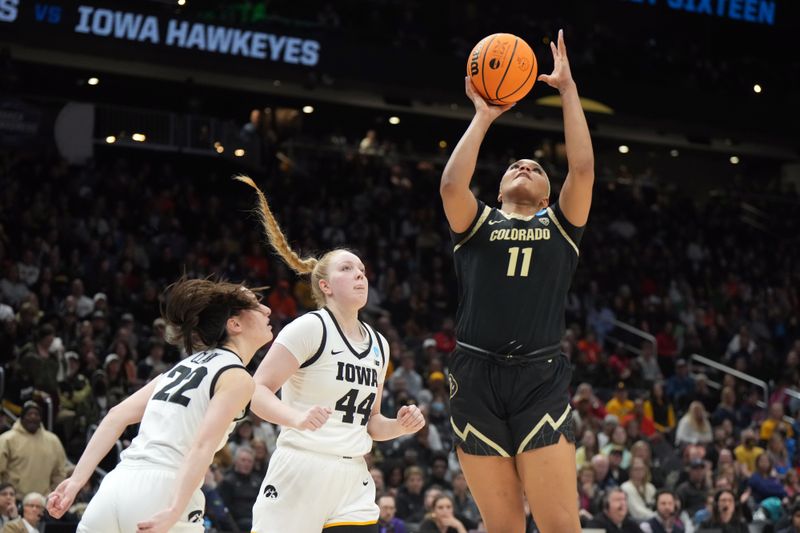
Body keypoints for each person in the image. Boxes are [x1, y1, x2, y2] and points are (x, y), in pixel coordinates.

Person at [439, 30, 593, 532]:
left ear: (548, 197)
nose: (525, 165)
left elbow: (584, 168)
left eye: (535, 168)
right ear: (500, 188)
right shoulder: (476, 223)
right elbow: (449, 185)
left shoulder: (560, 227)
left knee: (559, 528)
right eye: (515, 165)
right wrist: (483, 116)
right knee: (503, 527)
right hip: (475, 376)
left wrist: (568, 91)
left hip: (539, 379)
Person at [237, 176, 425, 533]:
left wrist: (399, 426)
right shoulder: (309, 328)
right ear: (324, 286)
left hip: (352, 473)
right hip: (301, 467)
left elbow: (370, 421)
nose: (360, 275)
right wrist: (294, 418)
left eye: (362, 270)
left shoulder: (380, 344)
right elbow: (256, 390)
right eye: (347, 269)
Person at [46, 276, 273, 533]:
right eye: (257, 306)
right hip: (164, 490)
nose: (268, 310)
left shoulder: (180, 368)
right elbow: (202, 445)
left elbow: (115, 415)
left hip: (115, 485)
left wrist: (76, 481)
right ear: (234, 324)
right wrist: (176, 509)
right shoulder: (237, 377)